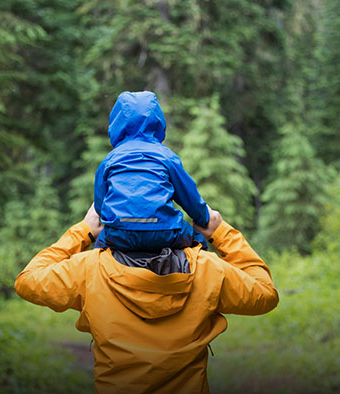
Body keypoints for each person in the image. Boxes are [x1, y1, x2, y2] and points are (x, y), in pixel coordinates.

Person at [15, 203, 279, 394]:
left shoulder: (88, 269)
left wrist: (83, 230)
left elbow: (28, 281)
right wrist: (221, 232)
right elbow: (265, 294)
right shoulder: (208, 269)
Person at [94, 90, 209, 252]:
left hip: (119, 233)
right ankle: (193, 275)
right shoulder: (166, 156)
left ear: (117, 121)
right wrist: (204, 218)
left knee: (98, 247)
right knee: (198, 240)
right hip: (164, 231)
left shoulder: (110, 159)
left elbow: (99, 205)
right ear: (157, 121)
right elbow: (189, 197)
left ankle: (104, 275)